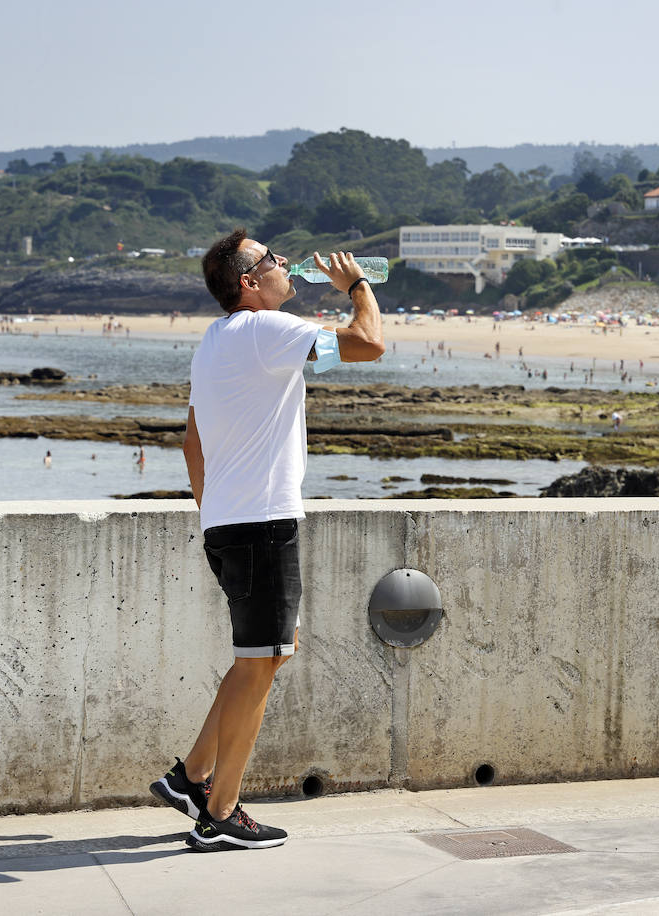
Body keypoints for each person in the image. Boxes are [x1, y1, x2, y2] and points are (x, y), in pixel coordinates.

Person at [150, 230, 383, 853]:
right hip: (261, 523)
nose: (286, 264)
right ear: (249, 283)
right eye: (273, 259)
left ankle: (191, 774)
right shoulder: (265, 330)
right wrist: (356, 286)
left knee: (267, 655)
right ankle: (219, 812)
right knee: (261, 662)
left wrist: (215, 510)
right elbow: (369, 343)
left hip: (230, 523)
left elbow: (192, 445)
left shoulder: (215, 341)